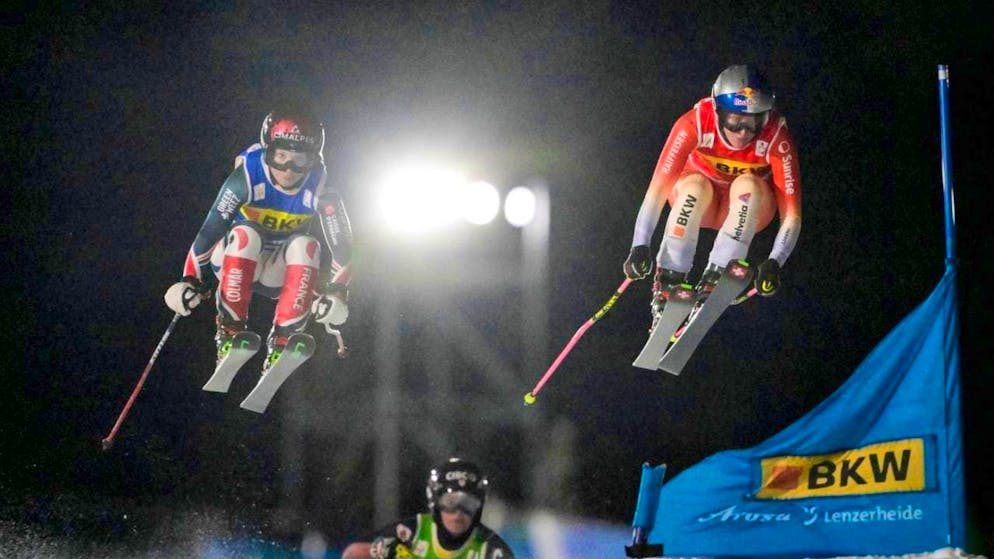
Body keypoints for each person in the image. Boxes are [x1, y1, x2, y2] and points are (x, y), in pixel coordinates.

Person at [163, 100, 353, 370]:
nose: (289, 170)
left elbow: (343, 248)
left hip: (277, 272)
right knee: (246, 234)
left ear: (313, 160)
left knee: (307, 244)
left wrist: (337, 293)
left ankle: (283, 342)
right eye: (281, 157)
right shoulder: (248, 177)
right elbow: (210, 231)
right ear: (267, 152)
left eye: (301, 161)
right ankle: (229, 333)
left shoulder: (320, 187)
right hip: (234, 263)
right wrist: (189, 280)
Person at [623, 65, 802, 317]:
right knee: (694, 188)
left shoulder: (776, 138)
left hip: (744, 211)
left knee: (748, 186)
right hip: (700, 202)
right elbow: (657, 191)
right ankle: (669, 280)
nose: (743, 132)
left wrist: (775, 261)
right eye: (735, 121)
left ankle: (717, 277)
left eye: (754, 122)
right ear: (718, 112)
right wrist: (640, 245)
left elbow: (792, 214)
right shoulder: (694, 123)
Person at [342, 458, 515, 559]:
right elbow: (353, 553)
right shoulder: (411, 533)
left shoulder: (491, 551)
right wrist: (377, 552)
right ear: (435, 501)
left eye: (468, 503)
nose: (458, 513)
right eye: (450, 502)